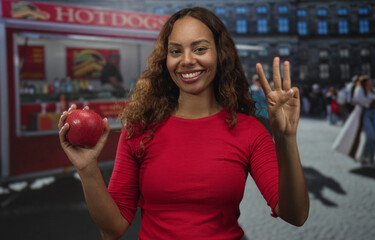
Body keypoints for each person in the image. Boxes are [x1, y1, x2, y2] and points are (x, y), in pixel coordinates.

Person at [58, 7, 309, 240]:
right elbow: (113, 229)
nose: (186, 60)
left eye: (200, 49)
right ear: (165, 60)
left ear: (220, 55)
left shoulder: (250, 131)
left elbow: (295, 215)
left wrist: (286, 138)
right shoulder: (139, 128)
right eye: (176, 51)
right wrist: (87, 168)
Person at [332, 76, 375, 166]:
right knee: (370, 136)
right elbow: (363, 101)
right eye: (368, 82)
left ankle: (371, 158)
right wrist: (373, 100)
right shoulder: (360, 90)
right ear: (365, 83)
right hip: (364, 114)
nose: (370, 83)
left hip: (374, 113)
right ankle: (364, 157)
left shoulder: (373, 90)